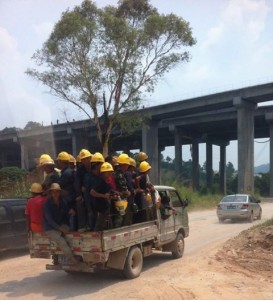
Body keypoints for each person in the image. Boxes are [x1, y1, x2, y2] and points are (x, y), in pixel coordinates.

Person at [43, 183, 78, 265]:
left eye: (57, 192)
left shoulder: (62, 201)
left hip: (60, 224)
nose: (55, 194)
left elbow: (66, 210)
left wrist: (70, 211)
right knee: (61, 241)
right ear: (51, 193)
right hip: (50, 228)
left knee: (71, 234)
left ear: (59, 193)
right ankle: (72, 258)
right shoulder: (47, 204)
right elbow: (49, 220)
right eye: (53, 192)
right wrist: (61, 229)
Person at [90, 162, 117, 231]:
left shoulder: (107, 181)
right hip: (100, 208)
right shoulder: (100, 181)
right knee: (99, 226)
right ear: (103, 173)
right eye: (108, 172)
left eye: (111, 172)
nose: (110, 174)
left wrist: (112, 196)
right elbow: (92, 192)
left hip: (105, 208)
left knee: (107, 225)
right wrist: (103, 196)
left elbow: (107, 193)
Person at [82, 152, 105, 230]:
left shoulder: (101, 176)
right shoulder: (88, 177)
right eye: (101, 164)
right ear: (97, 165)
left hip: (101, 206)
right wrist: (89, 208)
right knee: (94, 228)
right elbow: (86, 193)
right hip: (92, 206)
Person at [56, 151, 76, 230]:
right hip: (70, 198)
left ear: (60, 162)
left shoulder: (66, 173)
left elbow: (59, 186)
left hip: (68, 200)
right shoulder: (69, 171)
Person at [74, 149, 92, 232]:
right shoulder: (80, 170)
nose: (85, 161)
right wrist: (79, 194)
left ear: (90, 158)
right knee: (79, 203)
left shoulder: (94, 167)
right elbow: (77, 183)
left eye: (87, 158)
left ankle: (91, 225)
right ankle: (82, 226)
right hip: (84, 192)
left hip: (94, 190)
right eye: (83, 159)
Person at [114, 154, 131, 227]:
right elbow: (123, 187)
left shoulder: (117, 173)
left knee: (121, 215)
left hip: (120, 198)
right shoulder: (120, 175)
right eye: (127, 165)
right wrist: (127, 192)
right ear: (123, 165)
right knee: (120, 216)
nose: (127, 167)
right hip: (121, 199)